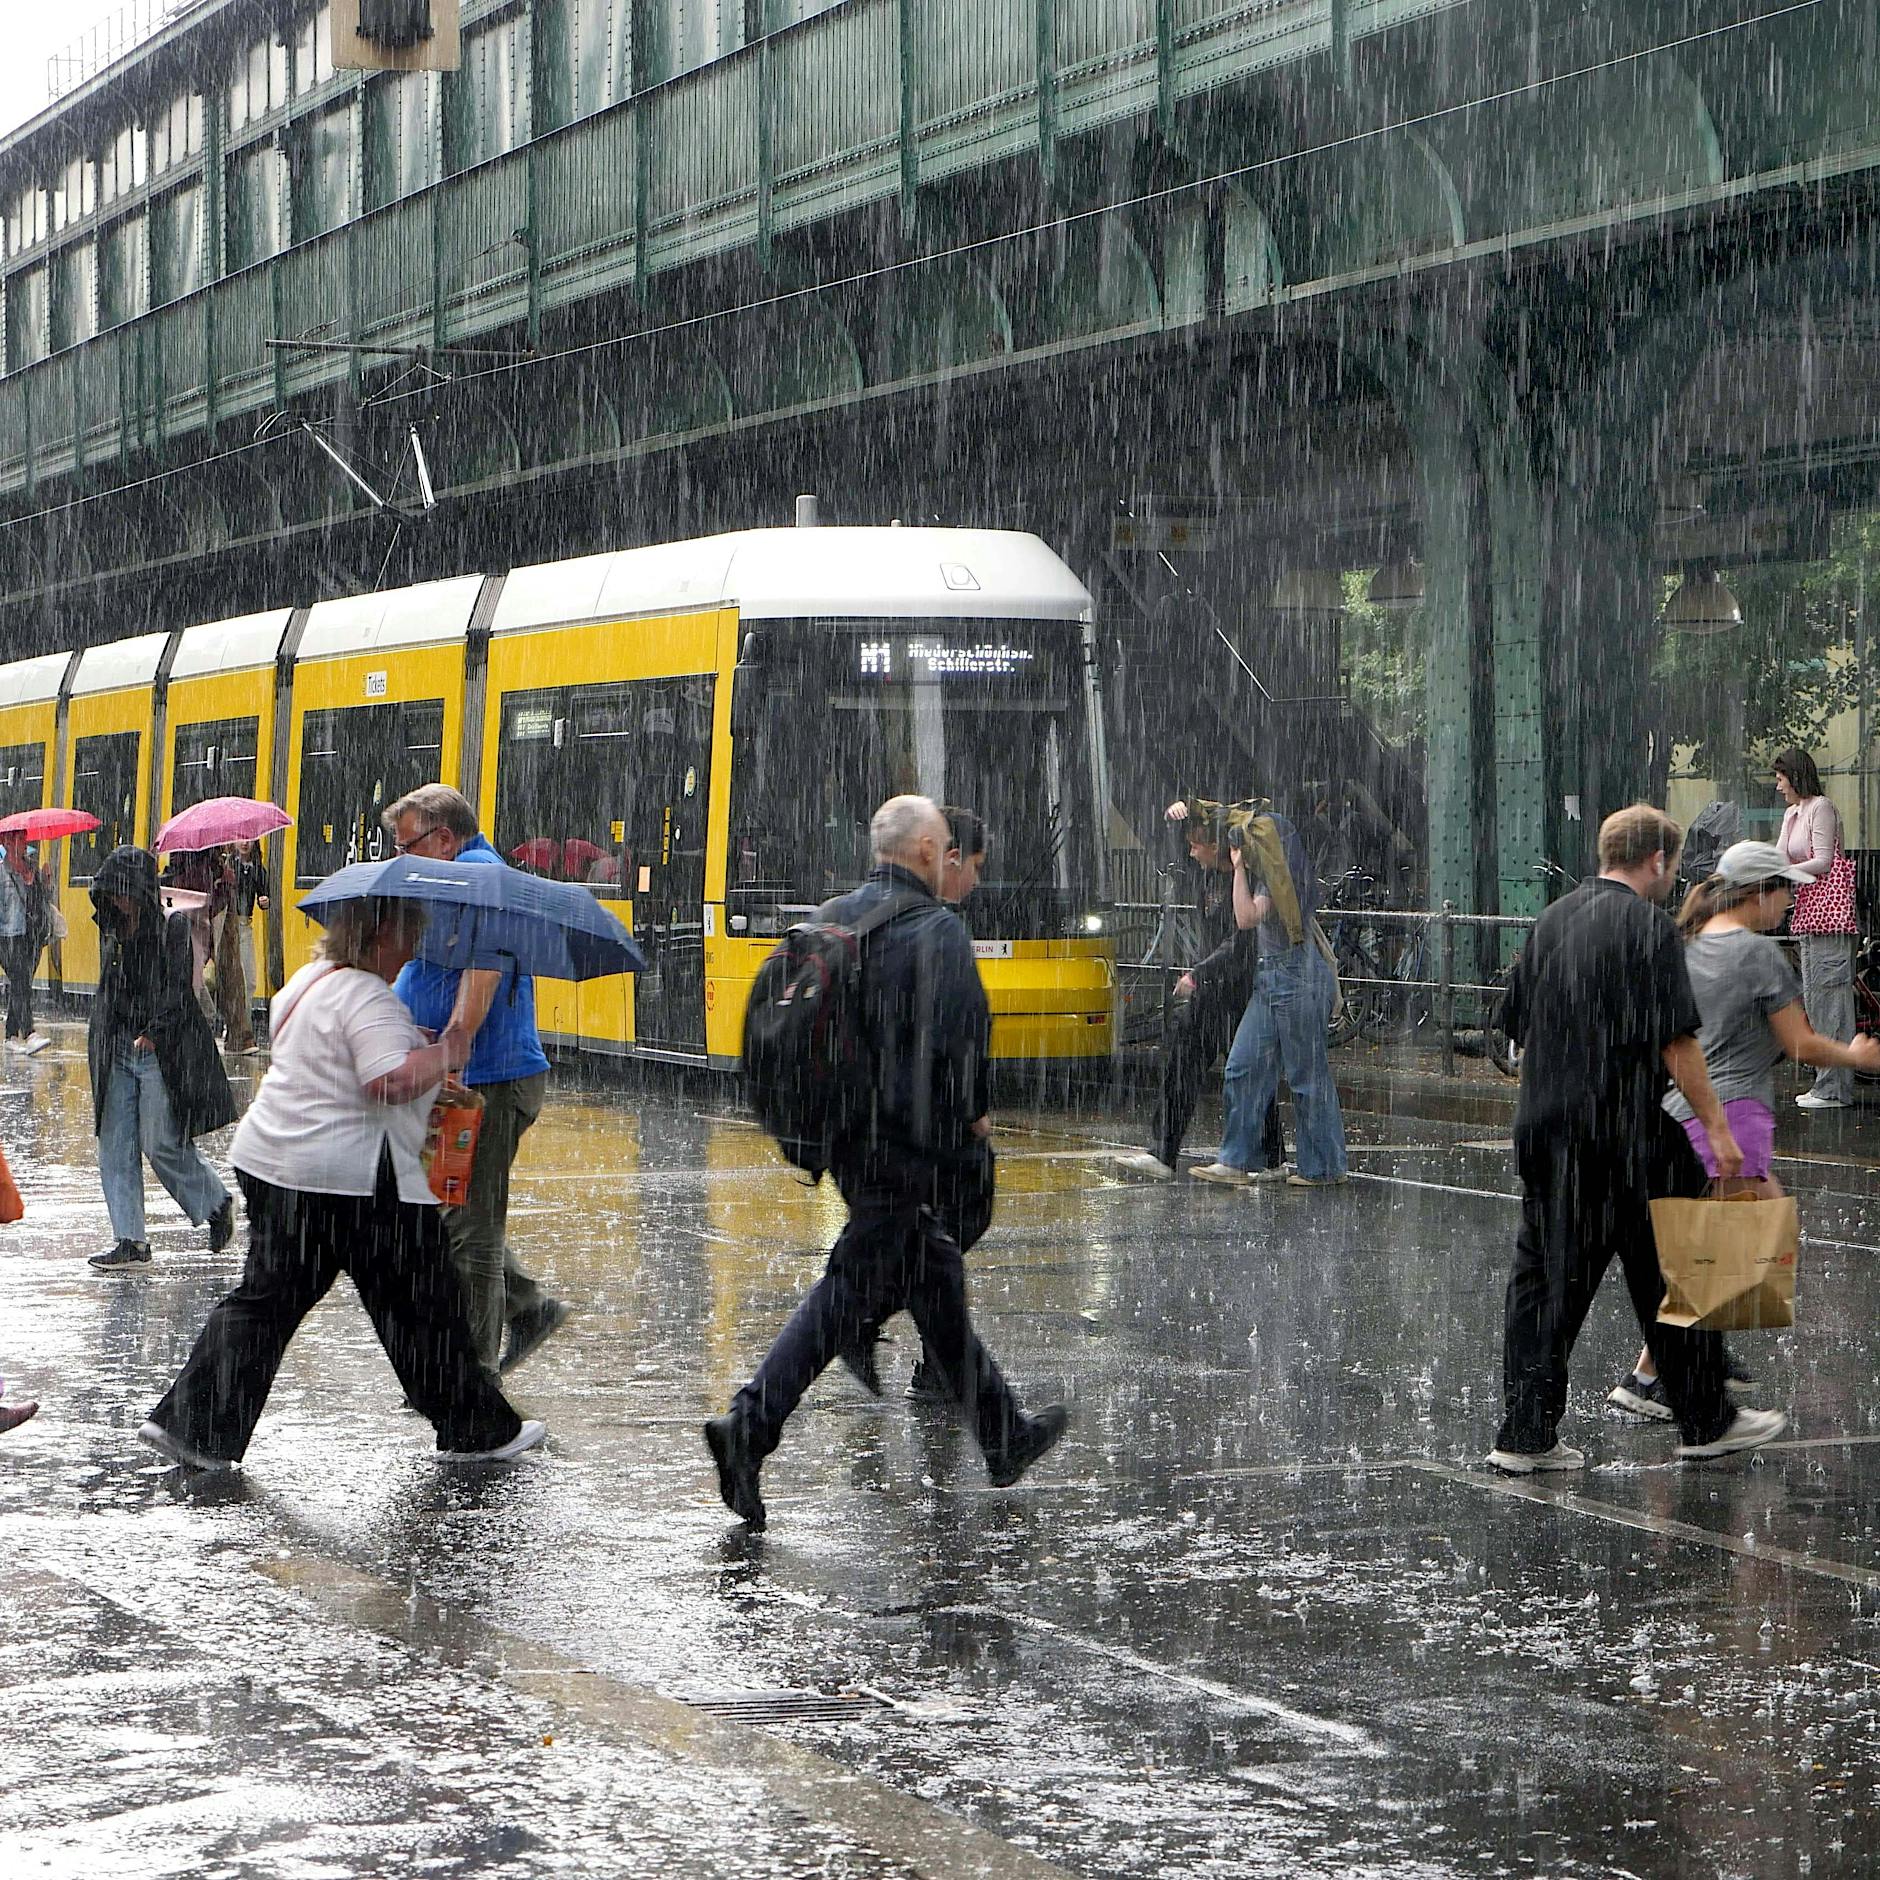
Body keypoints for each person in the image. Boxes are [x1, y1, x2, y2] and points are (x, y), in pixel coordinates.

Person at [704, 795, 1068, 1530]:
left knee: (934, 1276)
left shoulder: (837, 914)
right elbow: (960, 1034)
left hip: (846, 1135)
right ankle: (748, 1424)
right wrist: (974, 1118)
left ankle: (1003, 1433)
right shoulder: (935, 927)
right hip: (905, 1140)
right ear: (930, 850)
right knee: (848, 1288)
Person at [138, 896, 545, 1470]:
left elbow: (331, 1056)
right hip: (352, 1177)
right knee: (421, 1303)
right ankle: (476, 1430)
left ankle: (192, 1427)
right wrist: (446, 1051)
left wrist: (412, 1045)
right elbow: (386, 1082)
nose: (413, 949)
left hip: (277, 1165)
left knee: (267, 1302)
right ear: (380, 936)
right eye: (408, 936)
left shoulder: (310, 981)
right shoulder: (365, 994)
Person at [1490, 804, 1789, 1473]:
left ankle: (1524, 1434)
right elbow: (1677, 1041)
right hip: (1625, 1128)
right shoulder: (1648, 926)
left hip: (1546, 1125)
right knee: (1677, 1262)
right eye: (1673, 865)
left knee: (1546, 1280)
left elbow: (1516, 1024)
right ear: (1657, 861)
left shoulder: (1552, 919)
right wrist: (1718, 1129)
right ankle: (1707, 1418)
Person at [1609, 840, 1880, 1417]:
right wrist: (1857, 1056)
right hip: (1734, 1117)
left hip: (1683, 1112)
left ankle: (1704, 1351)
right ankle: (1648, 1377)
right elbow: (1800, 1044)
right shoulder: (1757, 954)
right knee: (1729, 1249)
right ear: (1759, 893)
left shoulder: (1687, 944)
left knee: (1733, 1242)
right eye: (1784, 893)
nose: (1789, 905)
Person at [385, 785, 570, 1378]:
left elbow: (484, 972)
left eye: (407, 846)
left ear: (444, 838)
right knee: (447, 1213)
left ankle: (474, 1377)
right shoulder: (454, 880)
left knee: (471, 1231)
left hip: (486, 1081)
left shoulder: (483, 882)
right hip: (460, 1075)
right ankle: (528, 1307)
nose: (400, 858)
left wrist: (452, 1046)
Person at [1113, 799, 1286, 1182]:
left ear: (1217, 847)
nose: (1191, 852)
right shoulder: (1205, 873)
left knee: (1245, 1073)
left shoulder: (1242, 878)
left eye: (1197, 845)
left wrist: (1197, 973)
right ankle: (1163, 1151)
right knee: (1183, 1063)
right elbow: (1176, 854)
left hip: (1237, 991)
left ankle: (1271, 1156)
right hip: (1212, 988)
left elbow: (1241, 942)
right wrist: (1176, 816)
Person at [85, 846, 235, 1271]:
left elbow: (177, 989)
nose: (118, 900)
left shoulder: (172, 927)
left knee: (160, 1141)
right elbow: (111, 989)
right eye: (112, 892)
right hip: (117, 1048)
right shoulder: (112, 930)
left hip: (158, 1051)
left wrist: (154, 1033)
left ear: (140, 890)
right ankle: (130, 1241)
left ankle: (215, 1203)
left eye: (123, 891)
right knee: (115, 1145)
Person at [1193, 799, 1346, 1188]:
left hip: (1296, 977)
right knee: (1242, 1067)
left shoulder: (1275, 877)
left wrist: (1238, 868)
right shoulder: (1268, 870)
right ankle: (1236, 1160)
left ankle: (1324, 1167)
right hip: (1271, 978)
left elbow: (1246, 917)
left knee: (1306, 1077)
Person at [1773, 749, 1857, 1111]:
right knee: (1816, 1001)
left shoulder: (1821, 807)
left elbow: (1824, 860)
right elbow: (1780, 856)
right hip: (1809, 915)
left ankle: (1835, 1089)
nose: (1778, 786)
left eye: (1781, 778)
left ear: (1795, 776)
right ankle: (1826, 1082)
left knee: (1831, 1001)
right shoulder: (1792, 813)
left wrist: (1784, 873)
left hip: (1829, 918)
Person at [212, 842, 265, 1054]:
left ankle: (240, 1028)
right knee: (231, 979)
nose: (244, 843)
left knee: (249, 981)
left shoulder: (257, 869)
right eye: (240, 838)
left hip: (245, 925)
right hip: (227, 924)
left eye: (249, 839)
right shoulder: (227, 866)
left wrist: (264, 900)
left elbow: (263, 893)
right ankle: (237, 1031)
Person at [0, 841, 49, 1053]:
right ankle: (29, 1033)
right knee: (20, 979)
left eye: (24, 836)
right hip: (6, 936)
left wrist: (39, 883)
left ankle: (11, 1035)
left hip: (30, 935)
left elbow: (40, 904)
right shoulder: (1, 873)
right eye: (18, 837)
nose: (23, 842)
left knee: (22, 982)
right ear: (6, 842)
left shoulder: (31, 869)